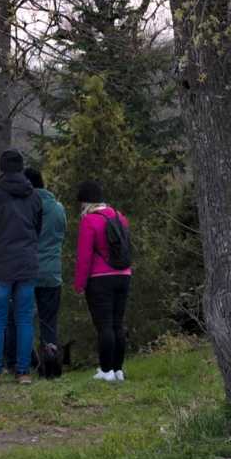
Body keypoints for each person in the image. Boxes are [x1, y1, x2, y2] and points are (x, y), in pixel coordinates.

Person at [0, 148, 55, 380]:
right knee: (24, 319)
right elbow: (37, 229)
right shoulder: (34, 197)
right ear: (21, 167)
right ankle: (23, 372)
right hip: (27, 263)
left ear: (1, 168)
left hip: (0, 263)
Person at [74, 194, 137, 383]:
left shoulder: (89, 220)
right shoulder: (120, 217)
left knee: (104, 326)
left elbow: (84, 256)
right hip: (124, 274)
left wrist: (80, 283)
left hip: (100, 278)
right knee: (118, 323)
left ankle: (106, 370)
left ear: (86, 203)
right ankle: (118, 370)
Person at [28, 154, 72, 366]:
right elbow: (62, 234)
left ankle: (29, 360)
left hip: (27, 271)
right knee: (49, 321)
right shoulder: (58, 208)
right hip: (52, 272)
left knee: (24, 318)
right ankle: (51, 359)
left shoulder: (26, 208)